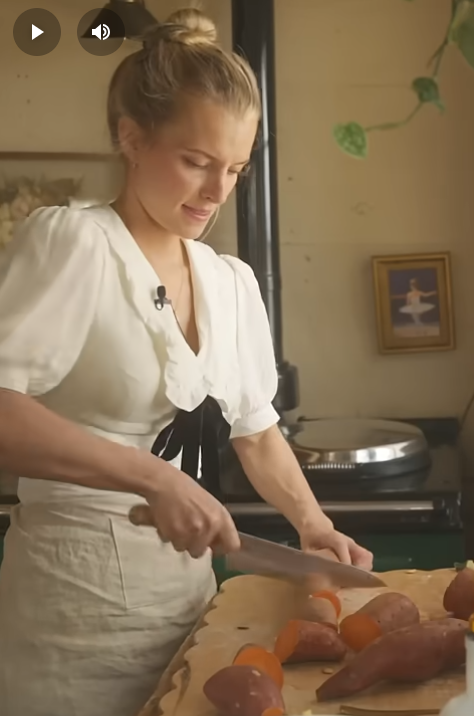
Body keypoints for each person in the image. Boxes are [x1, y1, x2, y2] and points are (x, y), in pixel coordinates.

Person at [0, 9, 373, 716]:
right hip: (71, 623)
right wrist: (152, 477)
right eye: (197, 161)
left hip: (193, 609)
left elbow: (256, 431)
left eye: (235, 168)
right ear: (131, 137)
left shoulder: (230, 282)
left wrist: (312, 524)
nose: (216, 190)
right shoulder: (77, 244)